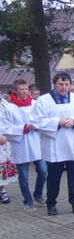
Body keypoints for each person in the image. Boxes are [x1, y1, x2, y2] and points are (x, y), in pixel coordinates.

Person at [30, 72, 74, 216]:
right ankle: (51, 204)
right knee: (54, 177)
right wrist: (58, 122)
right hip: (53, 144)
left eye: (66, 84)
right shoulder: (43, 100)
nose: (63, 87)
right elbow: (36, 120)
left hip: (72, 143)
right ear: (54, 84)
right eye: (60, 84)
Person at [1, 79, 46, 210]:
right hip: (21, 145)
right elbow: (6, 128)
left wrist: (37, 126)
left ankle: (38, 194)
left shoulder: (35, 103)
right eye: (22, 89)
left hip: (36, 142)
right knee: (24, 176)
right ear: (15, 91)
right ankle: (28, 201)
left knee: (43, 171)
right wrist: (24, 128)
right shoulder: (10, 108)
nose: (25, 92)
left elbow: (43, 119)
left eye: (26, 89)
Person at [0, 102, 18, 203]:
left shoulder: (4, 105)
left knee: (1, 167)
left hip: (3, 142)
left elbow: (11, 123)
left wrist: (6, 135)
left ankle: (2, 191)